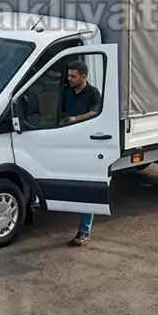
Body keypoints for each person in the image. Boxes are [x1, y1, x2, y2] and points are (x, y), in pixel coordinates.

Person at [60, 59, 102, 247]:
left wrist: (74, 119)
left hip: (86, 145)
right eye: (69, 75)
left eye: (73, 76)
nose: (69, 79)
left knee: (86, 188)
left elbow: (94, 113)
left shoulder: (93, 93)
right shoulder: (66, 91)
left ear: (83, 77)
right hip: (66, 143)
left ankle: (84, 231)